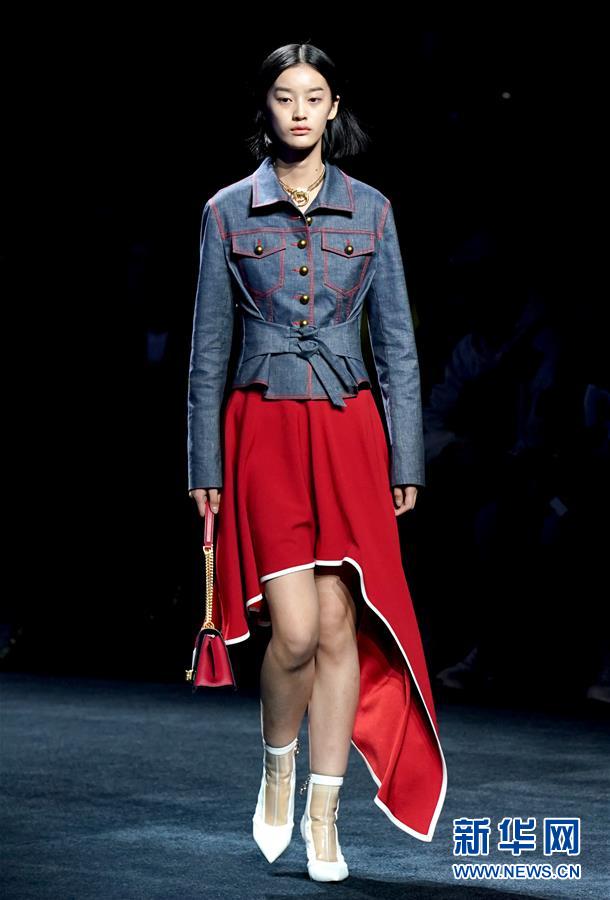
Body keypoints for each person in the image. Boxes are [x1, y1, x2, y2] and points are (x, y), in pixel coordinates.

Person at [187, 42, 447, 882]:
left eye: (314, 96)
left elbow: (398, 343)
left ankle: (325, 817)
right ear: (264, 107)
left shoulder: (372, 210)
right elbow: (207, 350)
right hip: (261, 427)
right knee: (293, 631)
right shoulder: (227, 210)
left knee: (340, 626)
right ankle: (277, 765)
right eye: (284, 96)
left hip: (349, 430)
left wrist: (407, 455)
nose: (299, 110)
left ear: (335, 108)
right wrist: (203, 466)